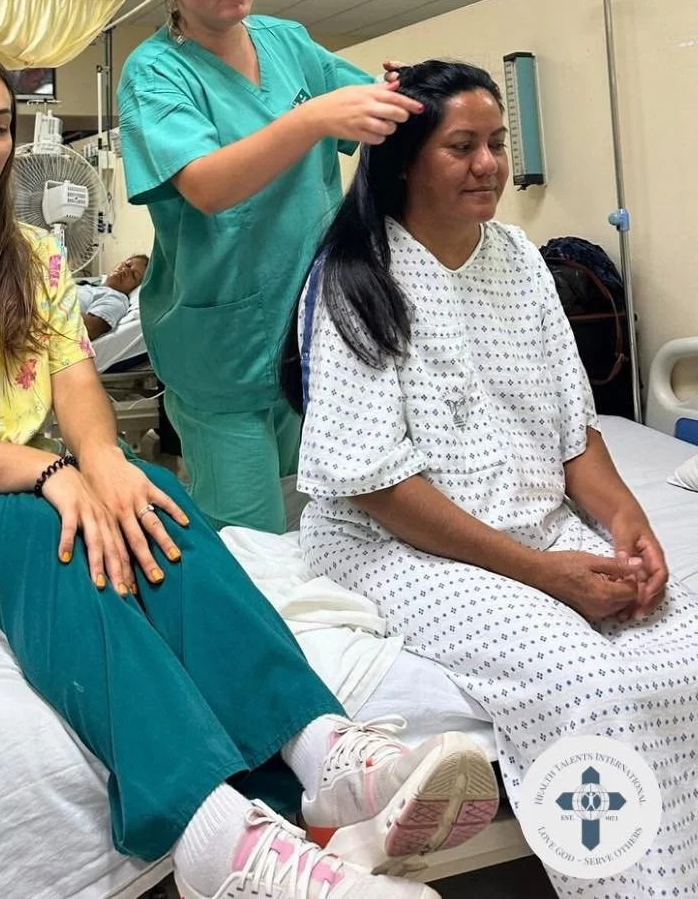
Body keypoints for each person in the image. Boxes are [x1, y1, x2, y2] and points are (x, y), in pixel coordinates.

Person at [0, 34, 497, 899]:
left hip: (7, 485)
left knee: (152, 493)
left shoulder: (30, 256)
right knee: (38, 526)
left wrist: (106, 460)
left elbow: (77, 383)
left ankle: (318, 753)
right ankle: (207, 834)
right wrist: (53, 475)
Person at [285, 59, 698, 899]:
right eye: (462, 146)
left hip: (532, 525)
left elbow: (571, 431)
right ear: (403, 162)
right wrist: (547, 576)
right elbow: (377, 485)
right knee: (584, 679)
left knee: (681, 645)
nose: (489, 164)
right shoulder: (356, 279)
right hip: (394, 544)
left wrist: (629, 528)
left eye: (498, 143)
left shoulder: (517, 257)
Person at [116, 0, 421, 534]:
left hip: (313, 339)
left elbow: (375, 106)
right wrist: (311, 119)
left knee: (323, 527)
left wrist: (419, 95)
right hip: (219, 349)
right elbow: (205, 184)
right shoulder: (156, 72)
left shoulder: (288, 43)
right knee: (253, 542)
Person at [77, 253, 148, 340]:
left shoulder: (116, 299)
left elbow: (92, 328)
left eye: (134, 275)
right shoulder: (90, 287)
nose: (125, 270)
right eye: (127, 265)